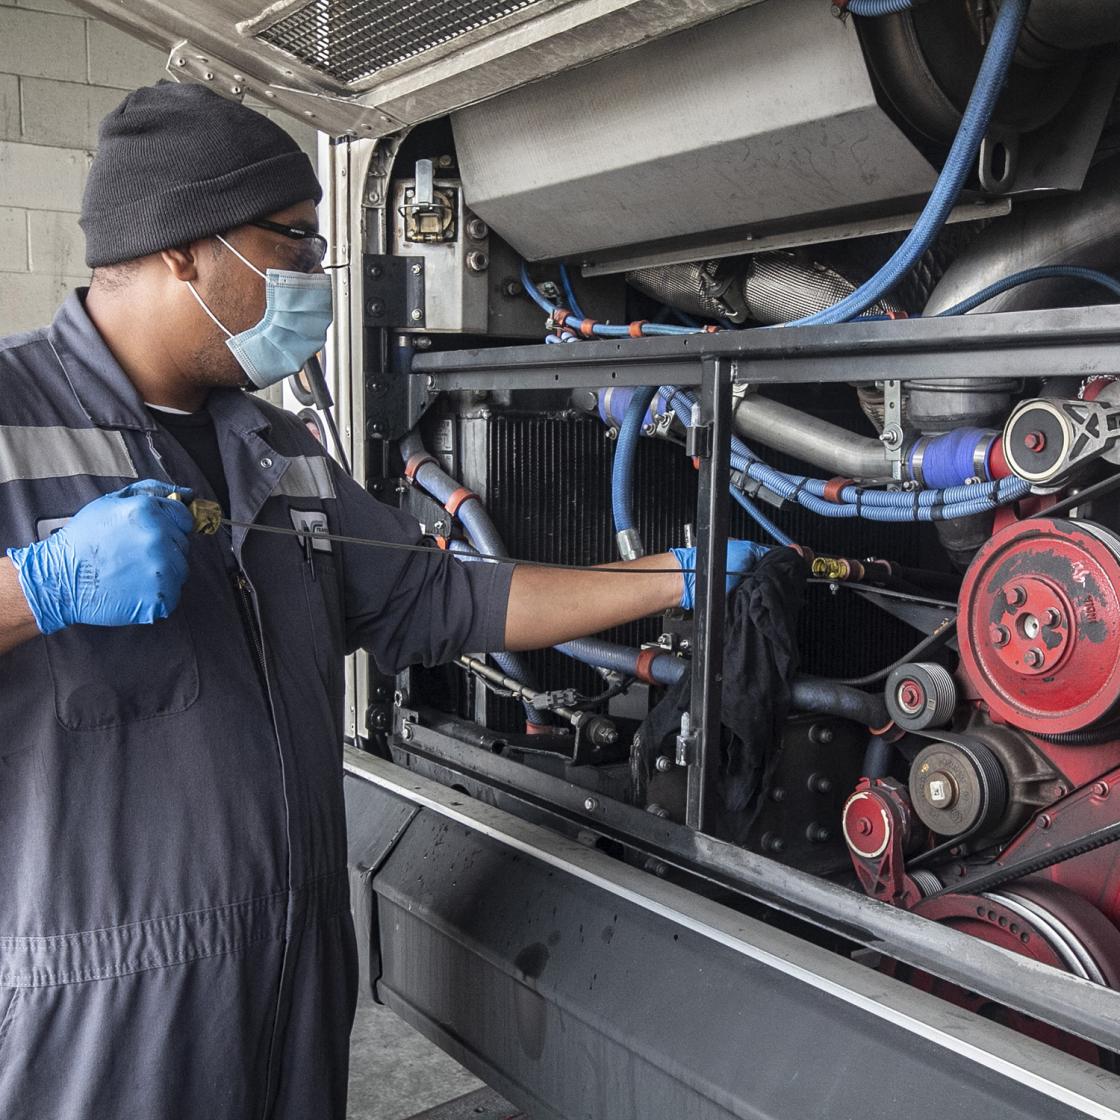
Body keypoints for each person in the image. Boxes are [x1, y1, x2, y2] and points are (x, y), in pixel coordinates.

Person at [0, 82, 764, 1119]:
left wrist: (676, 575)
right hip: (97, 1015)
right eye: (295, 244)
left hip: (293, 983)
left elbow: (444, 599)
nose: (313, 276)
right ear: (185, 251)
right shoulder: (11, 418)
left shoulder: (275, 449)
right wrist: (36, 586)